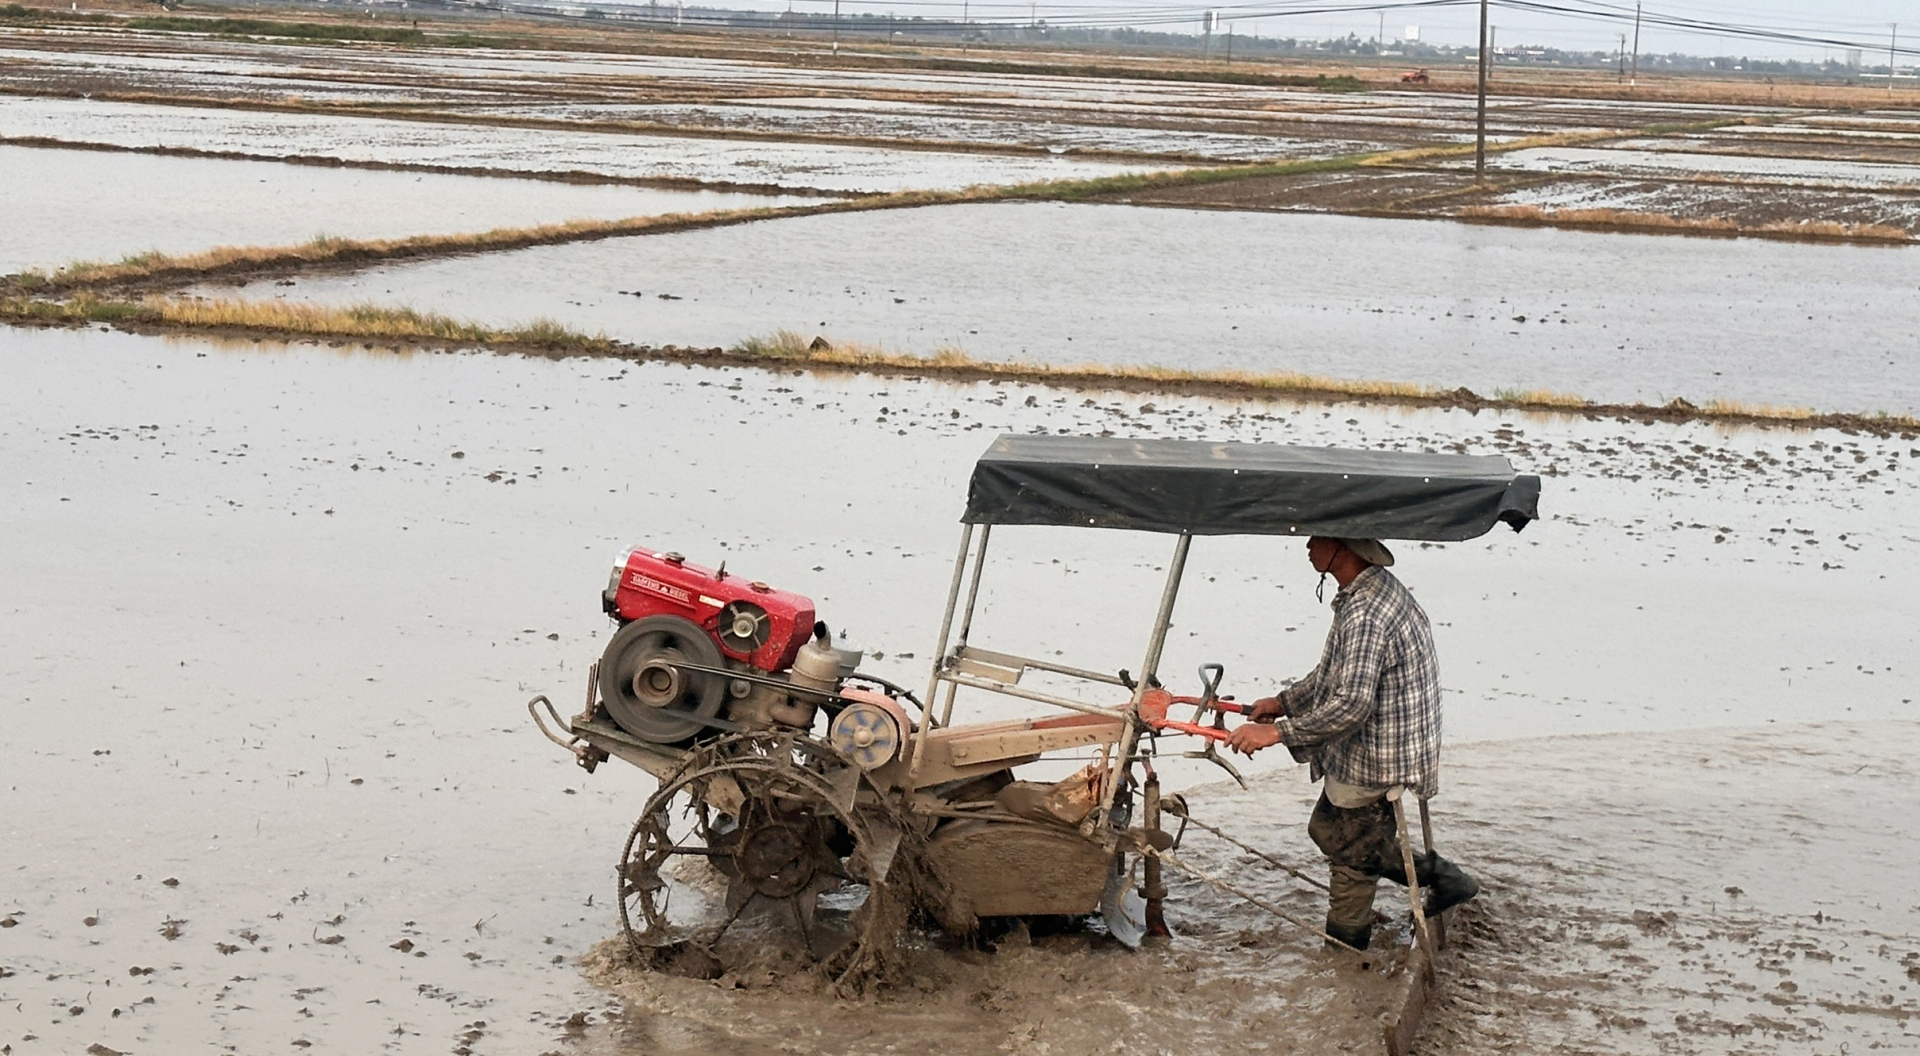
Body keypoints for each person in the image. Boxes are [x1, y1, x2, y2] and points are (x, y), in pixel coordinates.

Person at [1223, 536, 1479, 951]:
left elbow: (1351, 706)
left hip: (1378, 753)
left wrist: (1276, 732)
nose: (1307, 545)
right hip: (1390, 739)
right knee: (1327, 828)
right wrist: (1283, 703)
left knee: (1349, 857)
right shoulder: (1370, 590)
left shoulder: (1366, 614)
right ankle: (1443, 878)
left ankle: (1345, 951)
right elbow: (1331, 675)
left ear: (1345, 548)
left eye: (1317, 538)